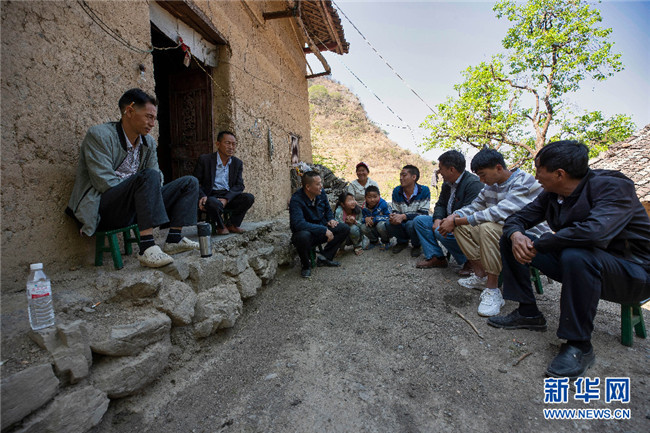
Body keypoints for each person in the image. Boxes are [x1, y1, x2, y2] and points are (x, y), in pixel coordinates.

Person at [488, 140, 650, 378]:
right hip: (581, 266)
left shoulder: (612, 188)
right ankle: (528, 313)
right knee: (511, 239)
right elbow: (517, 218)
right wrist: (516, 235)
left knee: (577, 254)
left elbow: (594, 232)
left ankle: (579, 345)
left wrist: (541, 242)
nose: (536, 176)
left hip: (633, 274)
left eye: (538, 170)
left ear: (559, 174)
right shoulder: (552, 195)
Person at [66, 88, 199, 268]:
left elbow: (157, 175)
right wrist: (139, 187)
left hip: (138, 205)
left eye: (154, 118)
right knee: (146, 177)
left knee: (189, 182)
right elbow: (104, 183)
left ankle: (174, 239)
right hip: (104, 207)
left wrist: (144, 191)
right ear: (129, 111)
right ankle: (147, 247)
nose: (152, 124)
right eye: (148, 117)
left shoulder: (148, 142)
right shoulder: (99, 135)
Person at [438, 148, 549, 317]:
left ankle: (493, 289)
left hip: (528, 235)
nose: (481, 180)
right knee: (462, 227)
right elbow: (475, 206)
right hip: (504, 232)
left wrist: (456, 220)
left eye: (483, 175)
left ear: (498, 168)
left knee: (487, 226)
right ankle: (481, 275)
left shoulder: (523, 181)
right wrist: (454, 216)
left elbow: (498, 213)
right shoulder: (490, 186)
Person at [413, 150, 483, 271]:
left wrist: (451, 222)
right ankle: (437, 257)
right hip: (447, 221)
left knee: (440, 231)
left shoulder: (473, 184)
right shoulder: (447, 184)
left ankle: (471, 260)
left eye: (441, 168)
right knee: (420, 221)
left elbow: (470, 212)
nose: (439, 172)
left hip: (463, 225)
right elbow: (440, 204)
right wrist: (437, 219)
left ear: (451, 169)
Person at [289, 171, 350, 278]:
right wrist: (323, 230)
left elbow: (327, 210)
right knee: (302, 236)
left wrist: (331, 219)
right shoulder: (296, 200)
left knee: (344, 228)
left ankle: (325, 257)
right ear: (308, 187)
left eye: (321, 183)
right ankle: (306, 265)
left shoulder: (321, 193)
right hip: (307, 233)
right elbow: (298, 224)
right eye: (318, 184)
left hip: (321, 229)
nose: (321, 186)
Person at [194, 131, 255, 235]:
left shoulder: (237, 163)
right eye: (227, 143)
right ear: (218, 144)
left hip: (228, 195)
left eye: (234, 144)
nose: (231, 147)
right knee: (212, 202)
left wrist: (227, 199)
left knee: (249, 198)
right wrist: (202, 195)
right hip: (211, 196)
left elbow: (239, 185)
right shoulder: (205, 160)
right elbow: (195, 182)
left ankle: (232, 224)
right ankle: (220, 226)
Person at [389, 165, 430, 257]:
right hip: (402, 221)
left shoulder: (424, 190)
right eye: (400, 175)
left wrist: (404, 216)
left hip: (415, 222)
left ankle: (417, 245)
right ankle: (402, 242)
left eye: (404, 175)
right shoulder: (396, 191)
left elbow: (423, 213)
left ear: (414, 177)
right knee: (389, 223)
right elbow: (395, 210)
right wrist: (394, 216)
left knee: (411, 224)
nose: (401, 178)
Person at [361, 185, 391, 250]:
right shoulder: (364, 207)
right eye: (369, 197)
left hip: (383, 227)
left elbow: (389, 216)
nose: (372, 200)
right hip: (372, 226)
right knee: (363, 227)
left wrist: (375, 219)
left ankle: (386, 241)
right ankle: (374, 241)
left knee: (380, 225)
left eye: (375, 197)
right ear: (365, 197)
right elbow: (361, 218)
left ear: (379, 196)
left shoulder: (383, 204)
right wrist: (365, 219)